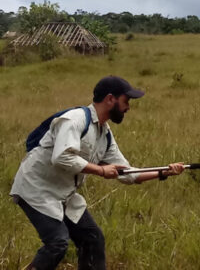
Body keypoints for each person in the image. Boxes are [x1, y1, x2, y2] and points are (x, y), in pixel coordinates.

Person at [10, 76, 186, 270]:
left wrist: (164, 172)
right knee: (57, 243)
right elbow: (61, 157)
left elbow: (127, 174)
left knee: (93, 239)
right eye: (125, 101)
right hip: (35, 190)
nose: (128, 107)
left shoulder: (105, 135)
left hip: (62, 194)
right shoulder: (75, 119)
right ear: (110, 99)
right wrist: (101, 170)